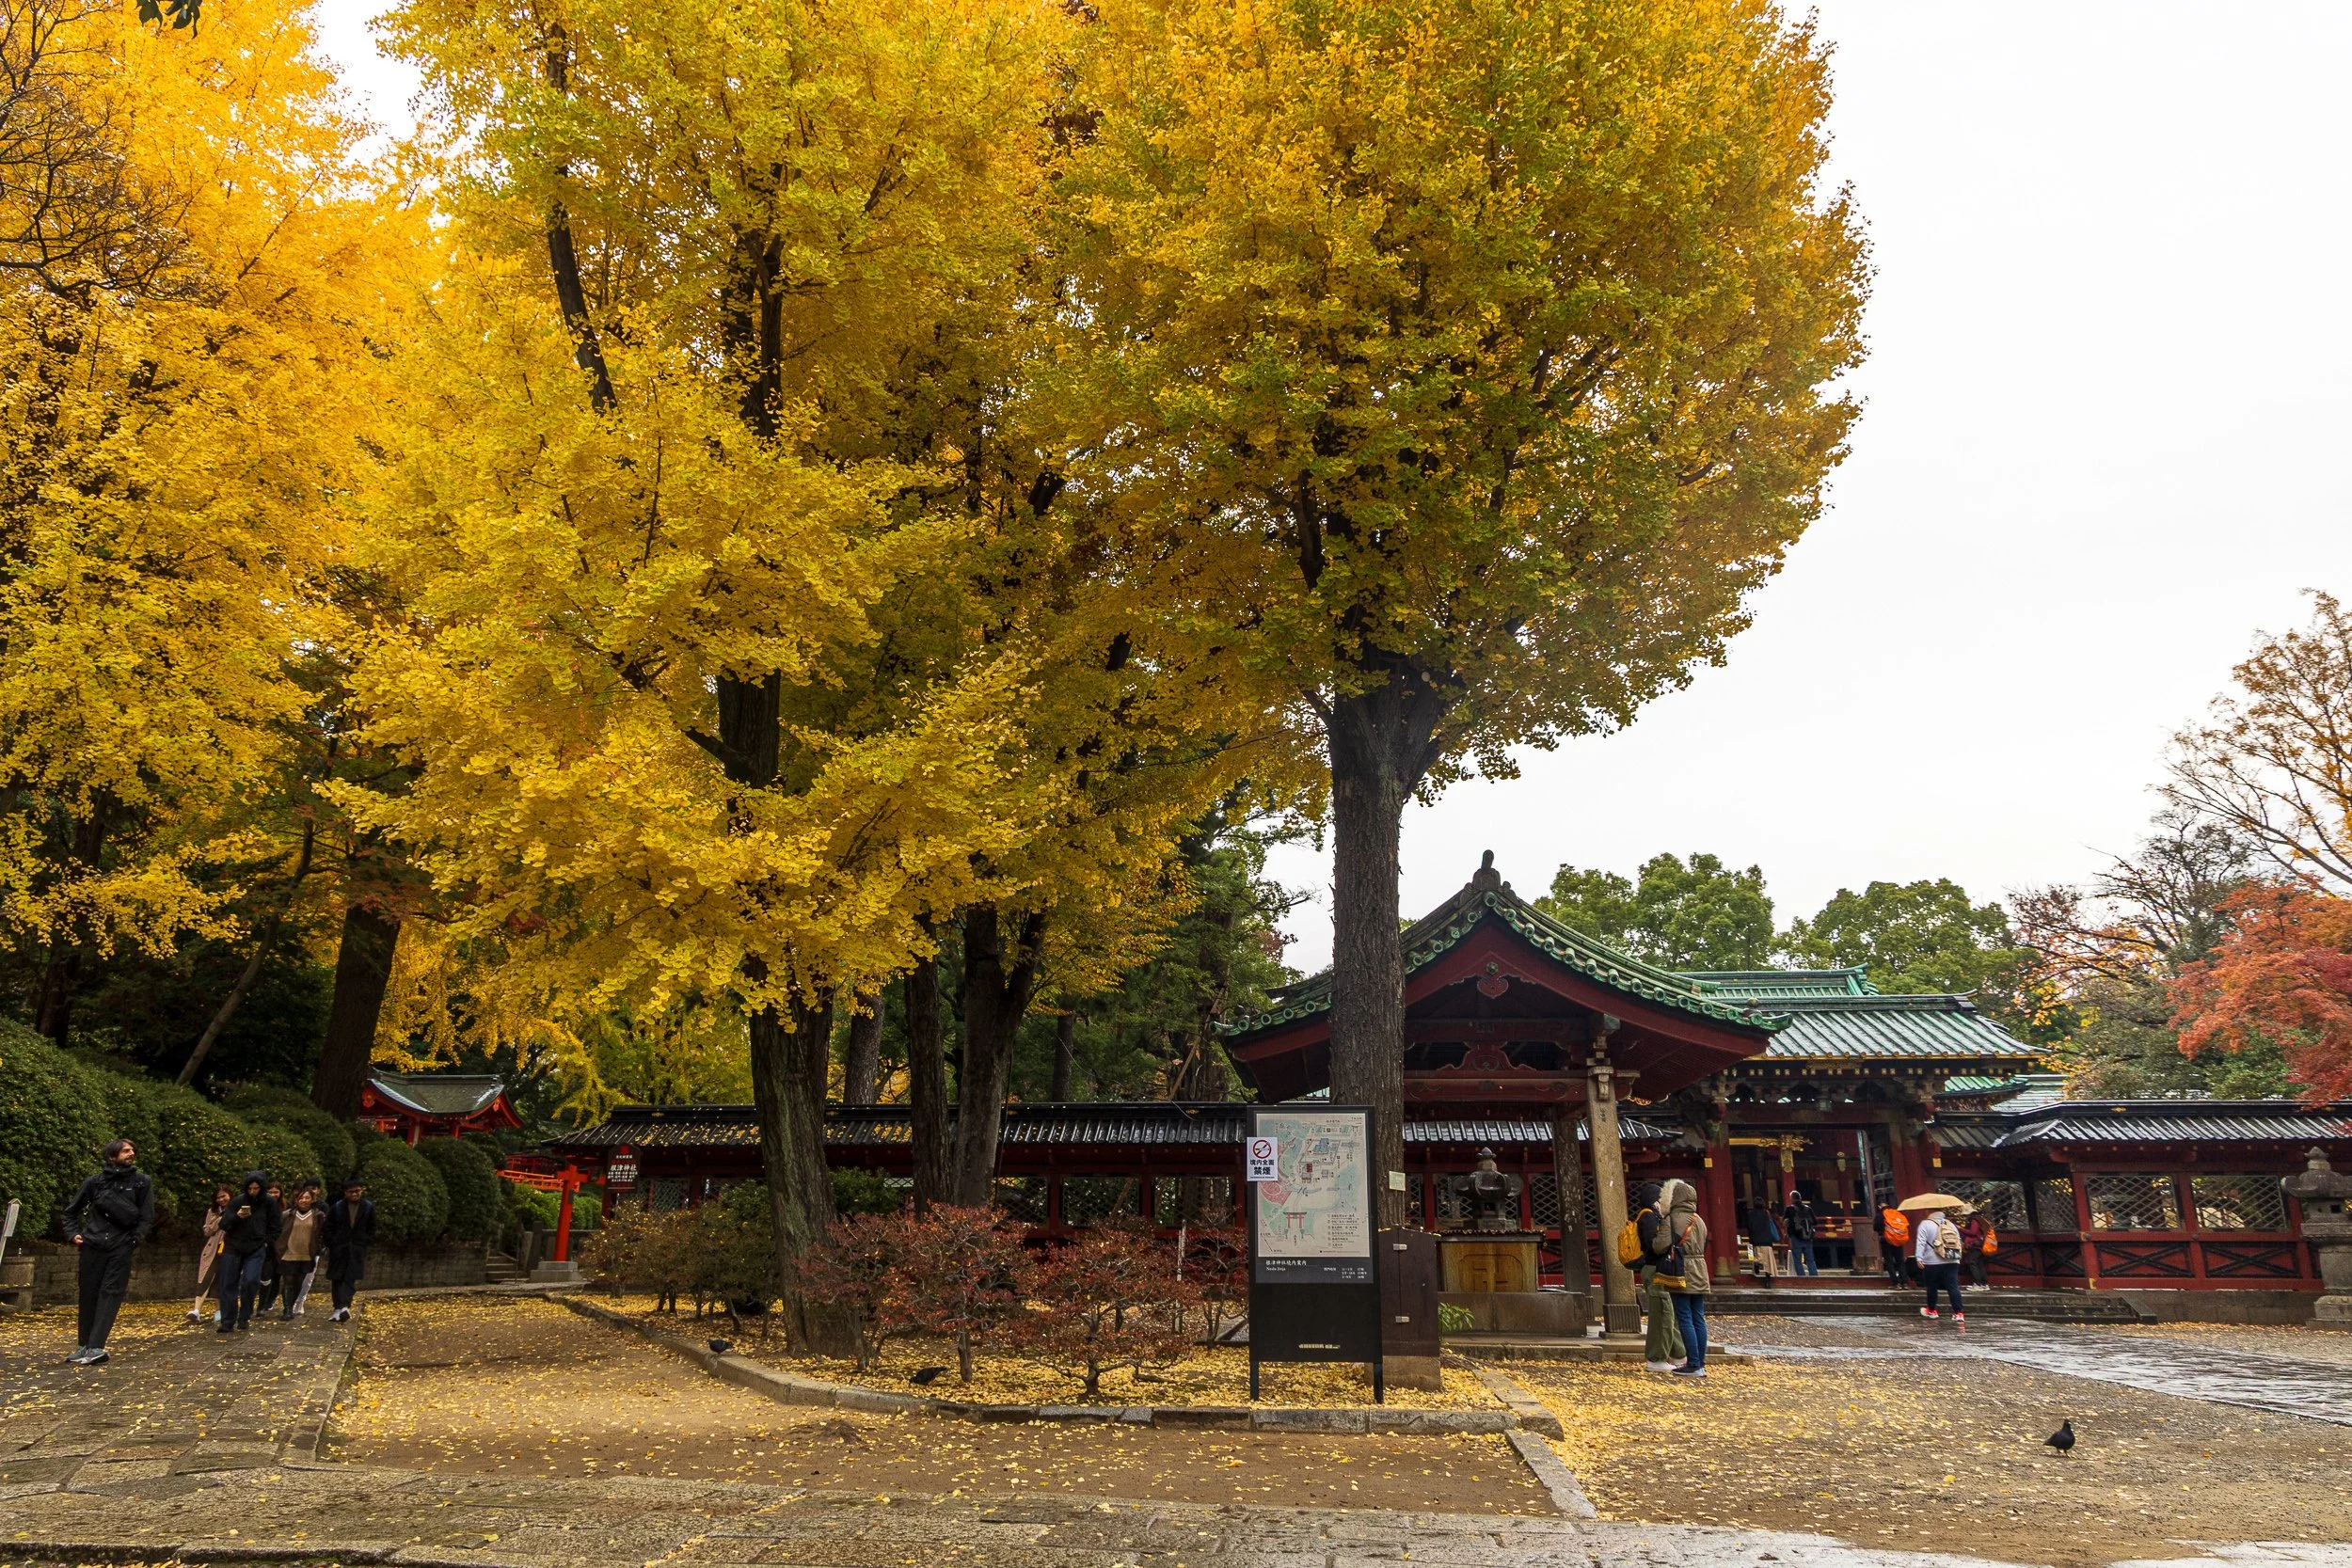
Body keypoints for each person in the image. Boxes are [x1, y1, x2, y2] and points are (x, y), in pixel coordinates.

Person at [61, 1138, 154, 1366]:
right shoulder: (94, 1183)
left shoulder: (142, 1183)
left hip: (120, 1246)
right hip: (92, 1244)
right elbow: (70, 1212)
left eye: (132, 1149)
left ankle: (96, 1346)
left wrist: (134, 1240)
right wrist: (74, 1234)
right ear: (112, 1156)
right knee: (88, 1293)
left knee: (110, 1293)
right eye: (125, 1151)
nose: (131, 1153)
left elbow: (146, 1216)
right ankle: (83, 1345)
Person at [1655, 1178, 1710, 1377]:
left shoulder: (1673, 1219)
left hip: (1681, 1269)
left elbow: (1659, 1245)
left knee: (1684, 1316)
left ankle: (1693, 1363)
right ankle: (1701, 1361)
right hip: (1700, 1269)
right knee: (1698, 1317)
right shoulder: (1699, 1220)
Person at [215, 1171, 280, 1334]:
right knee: (228, 1283)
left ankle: (244, 1316)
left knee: (250, 1281)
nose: (253, 1191)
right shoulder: (237, 1201)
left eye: (256, 1188)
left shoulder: (270, 1203)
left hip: (256, 1247)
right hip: (233, 1246)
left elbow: (276, 1226)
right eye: (250, 1188)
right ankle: (227, 1321)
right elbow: (224, 1224)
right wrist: (237, 1217)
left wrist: (266, 1241)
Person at [1630, 1180, 1684, 1372]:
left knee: (1669, 1313)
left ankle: (1678, 1353)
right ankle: (1656, 1357)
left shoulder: (1653, 1216)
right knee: (1662, 1313)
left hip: (1656, 1268)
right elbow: (1654, 1245)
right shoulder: (1649, 1218)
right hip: (1654, 1268)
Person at [323, 1178, 376, 1323]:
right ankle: (338, 1307)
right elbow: (328, 1227)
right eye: (351, 1192)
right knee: (337, 1278)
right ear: (345, 1192)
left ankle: (345, 1305)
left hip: (356, 1248)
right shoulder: (338, 1207)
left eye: (357, 1191)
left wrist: (364, 1241)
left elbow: (372, 1227)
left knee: (350, 1279)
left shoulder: (368, 1207)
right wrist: (333, 1243)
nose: (355, 1194)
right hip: (339, 1248)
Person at [277, 1184, 326, 1320]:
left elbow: (323, 1234)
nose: (304, 1200)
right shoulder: (287, 1215)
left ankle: (292, 1305)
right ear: (296, 1200)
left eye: (307, 1198)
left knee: (299, 1281)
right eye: (301, 1198)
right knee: (288, 1280)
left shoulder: (318, 1215)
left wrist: (321, 1247)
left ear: (312, 1199)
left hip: (306, 1253)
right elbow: (278, 1231)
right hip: (288, 1252)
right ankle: (287, 1309)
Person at [189, 1183, 233, 1323]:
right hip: (213, 1248)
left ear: (230, 1195)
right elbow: (207, 1231)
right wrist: (219, 1219)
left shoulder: (236, 1209)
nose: (221, 1199)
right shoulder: (213, 1211)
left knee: (221, 1279)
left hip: (229, 1248)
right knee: (205, 1277)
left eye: (223, 1196)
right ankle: (196, 1310)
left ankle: (219, 1310)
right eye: (218, 1197)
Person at [1915, 1203, 1965, 1324]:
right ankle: (1958, 1313)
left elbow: (1921, 1242)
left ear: (1929, 1211)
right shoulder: (1950, 1224)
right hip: (1952, 1259)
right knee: (1953, 1286)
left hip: (1932, 1261)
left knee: (1932, 1286)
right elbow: (1958, 1241)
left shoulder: (1925, 1224)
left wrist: (1918, 1257)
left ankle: (1932, 1310)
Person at [256, 1180, 288, 1313]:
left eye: (276, 1192)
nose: (273, 1195)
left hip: (282, 1247)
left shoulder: (286, 1208)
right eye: (270, 1192)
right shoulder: (261, 1206)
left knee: (277, 1276)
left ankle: (270, 1300)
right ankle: (262, 1304)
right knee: (266, 1276)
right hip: (267, 1246)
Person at [1782, 1190, 1820, 1277]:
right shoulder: (1808, 1209)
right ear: (1800, 1198)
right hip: (1808, 1237)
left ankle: (1801, 1278)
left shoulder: (1789, 1209)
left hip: (1795, 1237)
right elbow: (1815, 1222)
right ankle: (1814, 1277)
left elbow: (1784, 1221)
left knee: (1797, 1259)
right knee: (1810, 1259)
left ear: (1792, 1198)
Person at [1744, 1200, 1781, 1283]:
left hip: (1755, 1240)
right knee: (1768, 1262)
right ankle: (1768, 1280)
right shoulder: (1766, 1213)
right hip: (1766, 1240)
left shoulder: (1750, 1214)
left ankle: (1756, 1263)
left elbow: (1748, 1226)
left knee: (1755, 1255)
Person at [1960, 1205, 1992, 1290]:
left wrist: (1961, 1229)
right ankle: (1984, 1284)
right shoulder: (1979, 1219)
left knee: (1973, 1263)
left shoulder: (1974, 1220)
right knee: (1980, 1264)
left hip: (1974, 1245)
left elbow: (1973, 1232)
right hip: (1980, 1245)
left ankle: (1977, 1284)